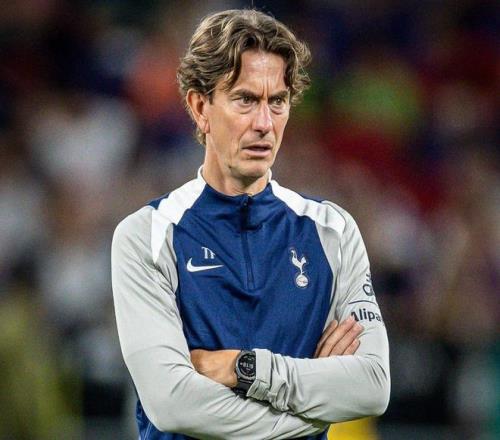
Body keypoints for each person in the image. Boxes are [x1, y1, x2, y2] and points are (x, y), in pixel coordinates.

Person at [112, 9, 390, 440]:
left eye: (276, 101)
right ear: (199, 107)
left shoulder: (332, 231)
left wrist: (246, 368)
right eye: (245, 100)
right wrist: (315, 410)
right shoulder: (145, 235)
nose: (264, 124)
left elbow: (371, 387)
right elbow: (172, 404)